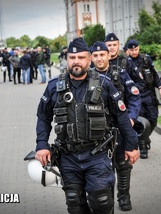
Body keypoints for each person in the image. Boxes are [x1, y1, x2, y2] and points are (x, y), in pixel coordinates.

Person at [35, 37, 139, 214]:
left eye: (81, 57)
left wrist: (131, 145)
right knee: (75, 203)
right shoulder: (54, 87)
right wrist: (42, 145)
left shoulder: (104, 84)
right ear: (66, 59)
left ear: (89, 59)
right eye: (72, 58)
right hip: (68, 157)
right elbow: (43, 117)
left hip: (97, 155)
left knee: (102, 202)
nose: (76, 62)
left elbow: (121, 116)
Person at [91, 41, 141, 211]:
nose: (99, 58)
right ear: (91, 57)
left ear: (108, 56)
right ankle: (108, 201)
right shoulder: (87, 77)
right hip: (99, 134)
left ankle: (124, 197)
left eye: (102, 55)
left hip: (120, 128)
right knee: (103, 172)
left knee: (123, 165)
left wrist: (132, 118)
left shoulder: (119, 73)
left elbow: (134, 97)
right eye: (95, 55)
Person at [126, 39, 161, 159]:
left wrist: (160, 87)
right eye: (132, 50)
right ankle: (143, 147)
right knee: (141, 122)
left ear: (139, 48)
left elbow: (154, 75)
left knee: (153, 119)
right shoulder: (126, 63)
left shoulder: (146, 59)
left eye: (136, 49)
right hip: (136, 97)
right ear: (128, 50)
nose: (134, 52)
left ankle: (145, 137)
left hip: (149, 95)